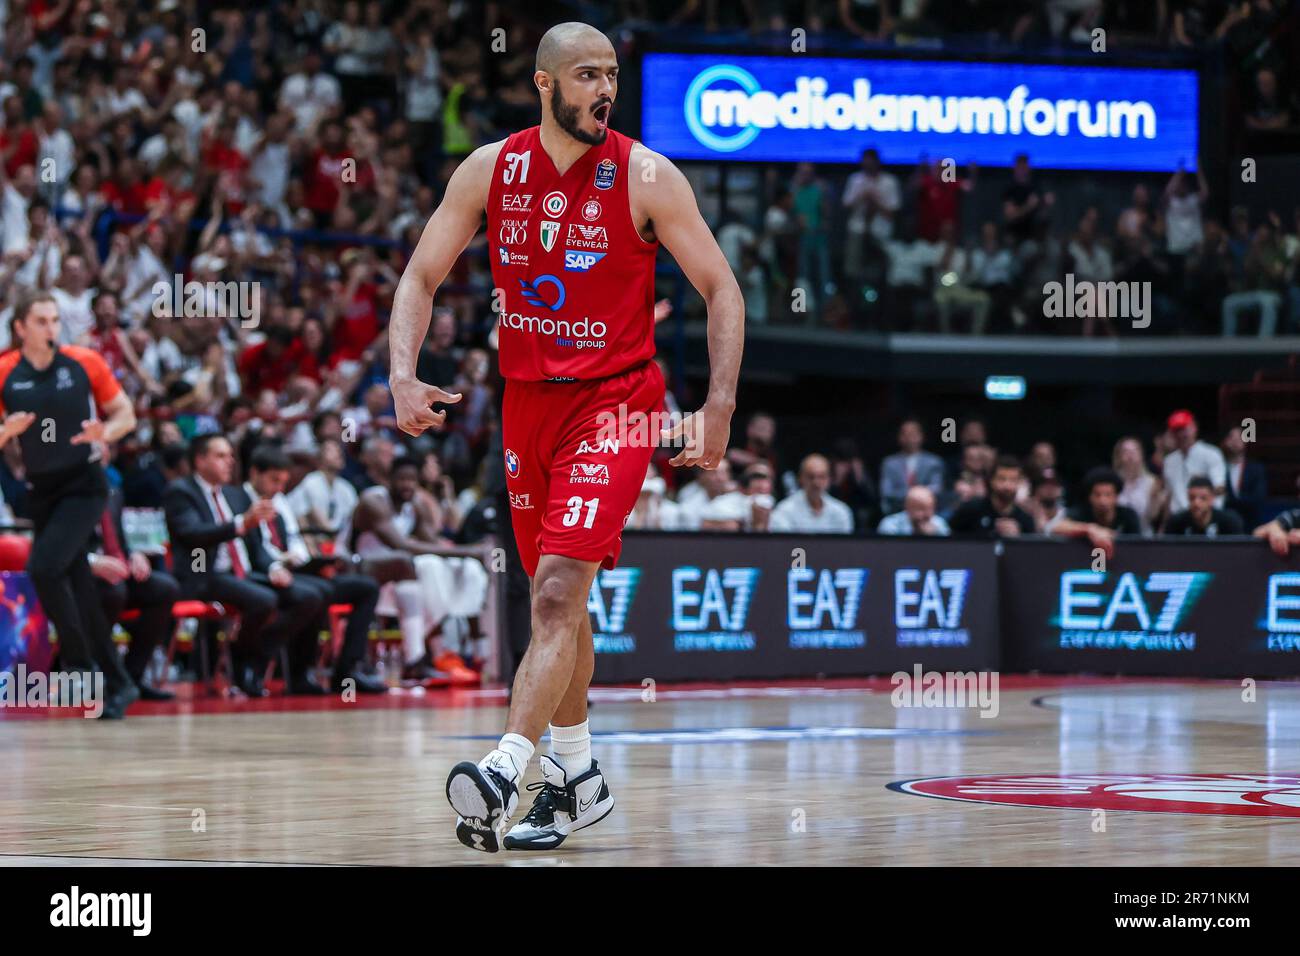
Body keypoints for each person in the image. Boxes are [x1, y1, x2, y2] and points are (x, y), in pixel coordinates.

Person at [388, 22, 743, 853]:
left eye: (611, 75)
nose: (604, 89)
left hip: (618, 401)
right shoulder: (490, 168)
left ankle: (509, 765)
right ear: (545, 85)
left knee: (552, 591)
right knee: (562, 603)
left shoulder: (648, 175)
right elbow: (419, 274)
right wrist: (403, 373)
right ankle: (576, 779)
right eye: (586, 75)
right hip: (526, 404)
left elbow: (721, 288)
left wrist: (718, 405)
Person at [0, 293, 138, 718]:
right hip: (42, 490)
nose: (51, 328)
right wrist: (7, 431)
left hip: (84, 485)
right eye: (41, 321)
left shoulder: (84, 362)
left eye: (55, 320)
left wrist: (106, 433)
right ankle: (118, 683)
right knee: (79, 586)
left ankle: (81, 667)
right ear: (21, 327)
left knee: (43, 567)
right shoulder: (5, 371)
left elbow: (126, 414)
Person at [162, 434, 323, 698]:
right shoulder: (182, 491)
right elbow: (193, 533)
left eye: (231, 456)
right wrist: (240, 524)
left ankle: (257, 660)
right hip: (203, 573)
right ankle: (241, 660)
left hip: (241, 574)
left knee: (308, 596)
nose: (230, 462)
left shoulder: (231, 495)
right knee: (264, 600)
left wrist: (273, 568)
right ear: (200, 460)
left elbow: (256, 545)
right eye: (221, 456)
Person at [242, 445, 384, 694]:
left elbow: (295, 539)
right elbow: (253, 549)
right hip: (265, 575)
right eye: (274, 480)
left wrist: (308, 559)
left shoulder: (280, 500)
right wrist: (280, 562)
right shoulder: (239, 500)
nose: (279, 488)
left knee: (366, 588)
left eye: (283, 482)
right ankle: (292, 669)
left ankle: (347, 671)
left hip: (297, 570)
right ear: (254, 473)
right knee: (316, 594)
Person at [345, 456, 485, 685]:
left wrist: (464, 555)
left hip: (400, 574)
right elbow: (402, 545)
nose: (407, 485)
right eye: (401, 479)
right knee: (417, 564)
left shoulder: (416, 505)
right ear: (389, 479)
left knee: (440, 568)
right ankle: (436, 652)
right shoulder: (373, 501)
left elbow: (433, 543)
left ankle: (418, 660)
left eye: (412, 479)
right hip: (356, 565)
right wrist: (467, 551)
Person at [91, 485, 181, 701]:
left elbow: (118, 540)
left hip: (117, 570)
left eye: (106, 448)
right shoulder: (66, 487)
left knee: (165, 589)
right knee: (115, 592)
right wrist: (93, 561)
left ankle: (132, 676)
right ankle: (98, 674)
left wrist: (134, 555)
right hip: (81, 574)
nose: (102, 451)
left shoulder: (113, 492)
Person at [1049, 467, 1141, 558]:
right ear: (1090, 497)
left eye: (1108, 495)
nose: (1102, 501)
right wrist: (1089, 530)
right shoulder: (1081, 512)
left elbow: (1139, 546)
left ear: (1116, 497)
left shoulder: (1128, 515)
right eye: (1097, 495)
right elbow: (1055, 527)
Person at [949, 456, 1035, 538]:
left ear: (1019, 483)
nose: (1007, 485)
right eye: (1002, 479)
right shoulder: (971, 510)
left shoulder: (1026, 520)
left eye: (1013, 480)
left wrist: (1019, 537)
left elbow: (1031, 550)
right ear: (991, 481)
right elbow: (951, 539)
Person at [769, 454, 854, 534]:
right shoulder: (784, 510)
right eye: (811, 477)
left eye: (821, 477)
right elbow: (783, 546)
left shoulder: (841, 511)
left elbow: (844, 547)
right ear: (801, 478)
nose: (816, 483)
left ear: (829, 479)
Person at [1162, 409, 1226, 513]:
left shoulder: (1211, 453)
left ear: (1194, 428)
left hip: (1207, 515)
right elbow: (1169, 496)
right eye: (1176, 430)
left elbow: (1220, 487)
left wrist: (1201, 494)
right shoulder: (1169, 461)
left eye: (1184, 429)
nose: (1181, 434)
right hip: (1179, 518)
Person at [879, 417, 946, 514]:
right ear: (899, 437)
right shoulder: (889, 463)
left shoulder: (934, 462)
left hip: (926, 512)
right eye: (905, 434)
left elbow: (936, 488)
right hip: (897, 511)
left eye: (913, 434)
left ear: (921, 436)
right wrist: (913, 495)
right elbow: (887, 492)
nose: (909, 438)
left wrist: (914, 497)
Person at [1165, 476, 1245, 537]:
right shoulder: (1176, 523)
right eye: (1192, 498)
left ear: (1212, 499)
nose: (1196, 503)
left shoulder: (1229, 522)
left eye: (1203, 498)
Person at [877, 486, 949, 536]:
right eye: (921, 509)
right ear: (907, 508)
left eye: (929, 509)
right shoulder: (890, 524)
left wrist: (933, 536)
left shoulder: (939, 524)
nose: (925, 514)